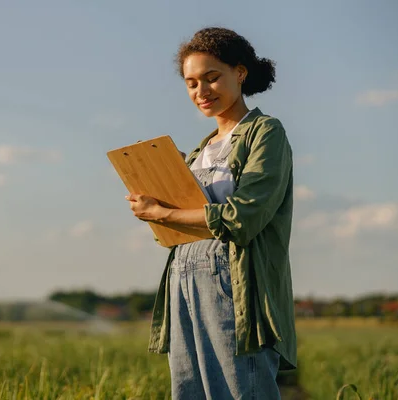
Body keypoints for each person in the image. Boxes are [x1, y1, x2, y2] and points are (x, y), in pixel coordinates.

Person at [125, 27, 297, 399]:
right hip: (183, 277)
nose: (201, 92)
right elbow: (173, 232)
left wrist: (164, 213)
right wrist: (153, 212)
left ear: (240, 73)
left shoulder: (265, 132)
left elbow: (243, 216)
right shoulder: (198, 151)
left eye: (211, 78)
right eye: (191, 83)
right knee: (189, 390)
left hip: (233, 280)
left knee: (241, 390)